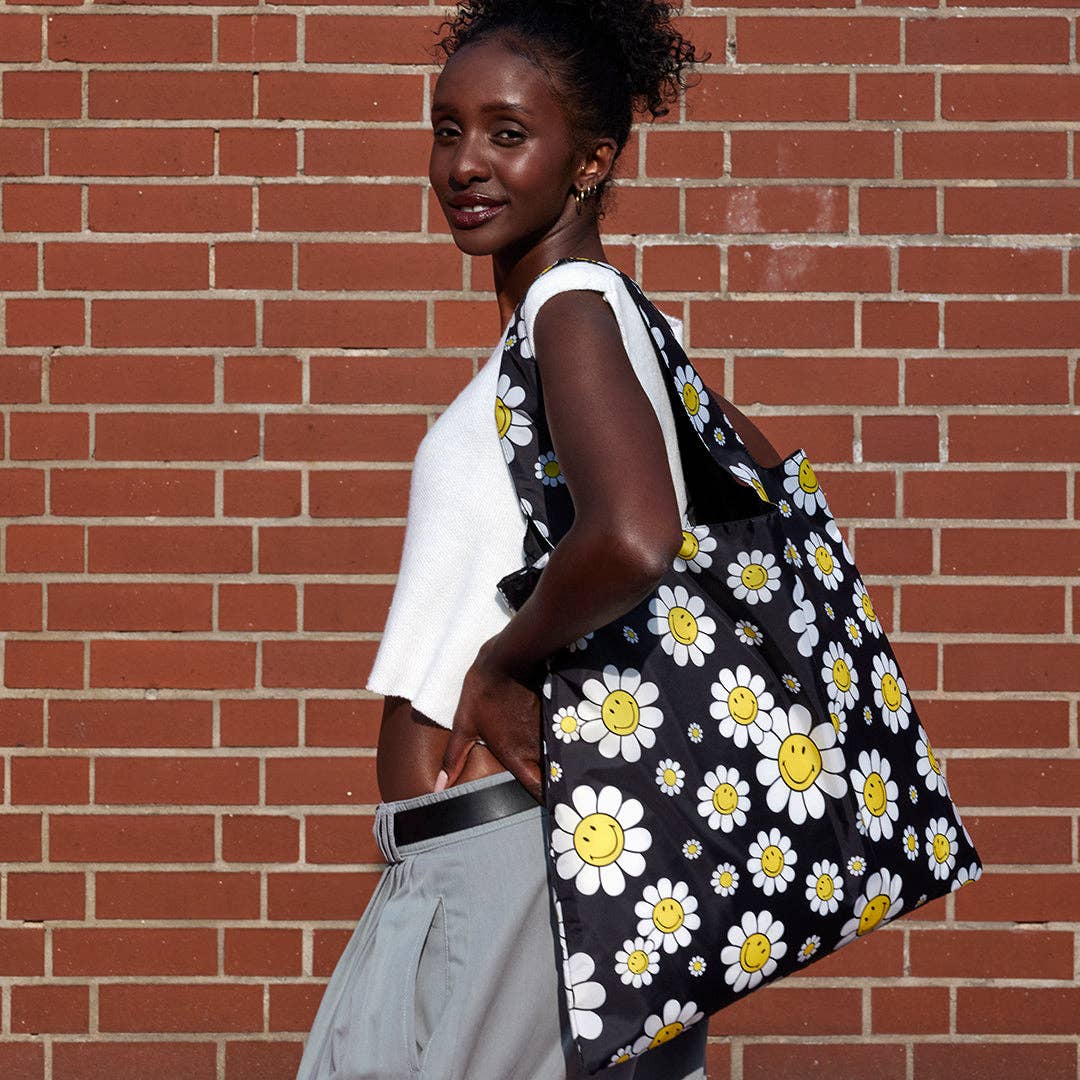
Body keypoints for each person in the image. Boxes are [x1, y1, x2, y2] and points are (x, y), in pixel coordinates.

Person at [295, 2, 784, 1077]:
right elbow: (752, 471)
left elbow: (637, 532)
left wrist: (507, 662)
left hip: (515, 856)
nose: (465, 163)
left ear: (591, 160)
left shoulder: (572, 303)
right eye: (448, 128)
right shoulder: (583, 324)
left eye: (508, 134)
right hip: (480, 858)